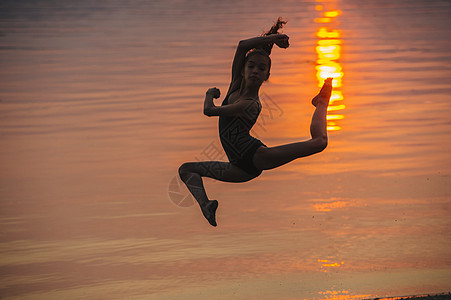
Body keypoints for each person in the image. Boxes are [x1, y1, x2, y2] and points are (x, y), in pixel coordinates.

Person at [178, 19, 332, 226]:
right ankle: (206, 206)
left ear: (266, 76)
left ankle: (321, 102)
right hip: (239, 169)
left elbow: (209, 111)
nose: (255, 71)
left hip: (257, 157)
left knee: (320, 142)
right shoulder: (235, 85)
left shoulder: (250, 104)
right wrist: (272, 39)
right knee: (186, 169)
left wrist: (208, 93)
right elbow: (242, 45)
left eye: (261, 69)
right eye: (251, 66)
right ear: (243, 70)